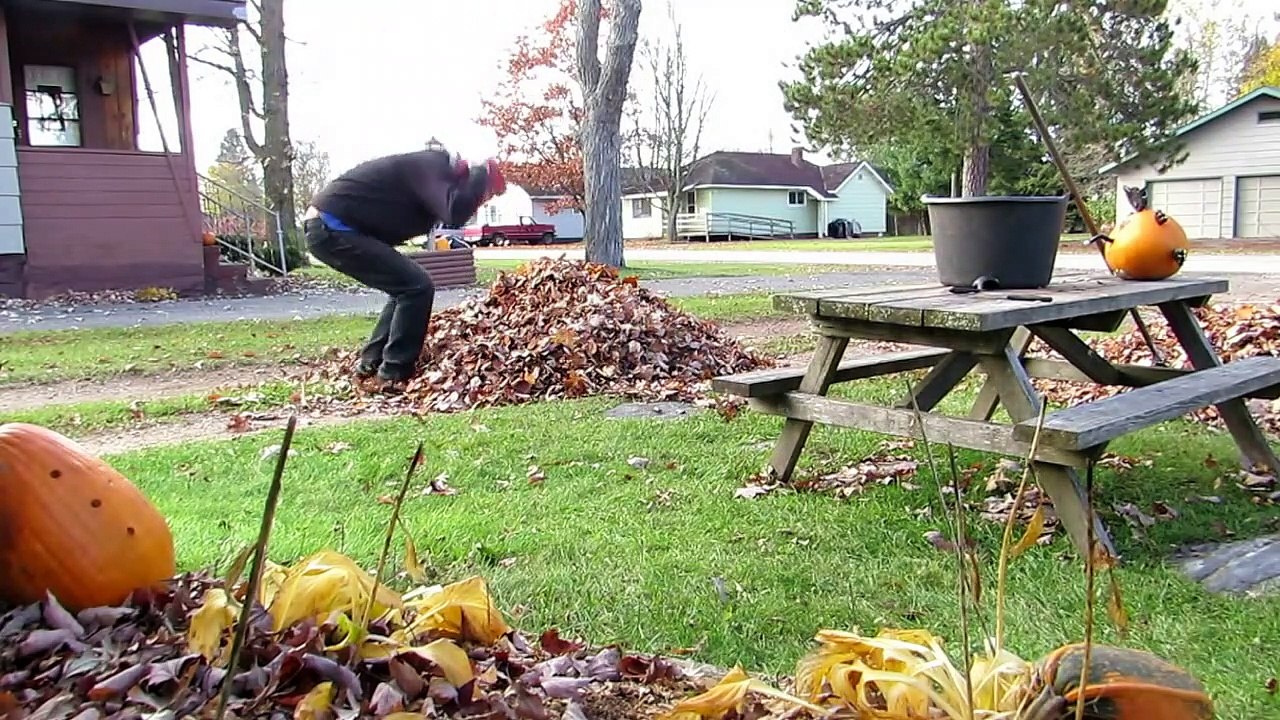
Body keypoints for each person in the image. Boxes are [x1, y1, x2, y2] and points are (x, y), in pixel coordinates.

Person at [303, 148, 505, 393]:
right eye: (486, 195)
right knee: (417, 287)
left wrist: (477, 184)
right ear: (465, 176)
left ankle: (371, 364)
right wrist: (480, 176)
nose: (481, 202)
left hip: (336, 227)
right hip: (332, 226)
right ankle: (393, 373)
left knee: (405, 288)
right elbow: (456, 212)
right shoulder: (431, 164)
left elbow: (453, 212)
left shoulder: (435, 181)